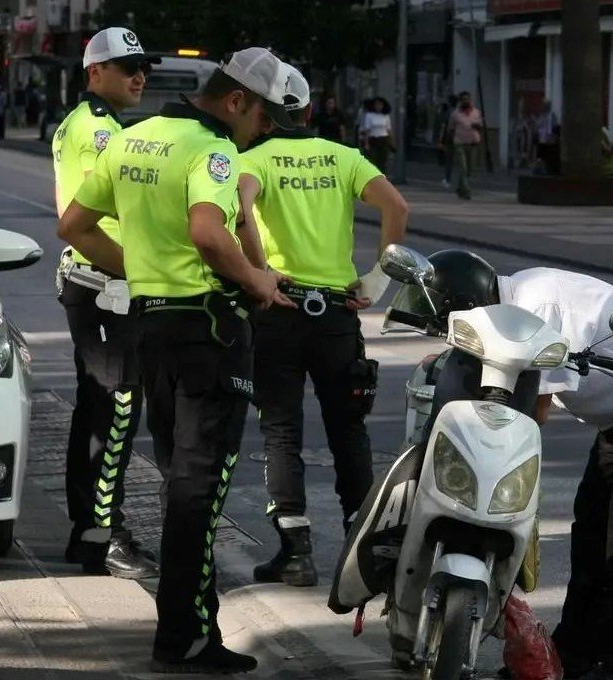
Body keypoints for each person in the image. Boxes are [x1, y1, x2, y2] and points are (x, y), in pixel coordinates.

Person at [59, 46, 296, 674]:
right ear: (237, 100)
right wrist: (257, 282)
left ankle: (188, 627)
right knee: (200, 488)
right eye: (265, 118)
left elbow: (75, 225)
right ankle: (186, 638)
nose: (264, 132)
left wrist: (138, 270)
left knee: (178, 481)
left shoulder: (135, 137)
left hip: (149, 327)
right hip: (207, 334)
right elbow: (209, 234)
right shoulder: (212, 149)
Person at [417, 251, 613, 680]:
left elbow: (529, 413)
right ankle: (570, 657)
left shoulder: (536, 310)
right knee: (590, 533)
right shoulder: (509, 305)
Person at [238, 64, 409, 587]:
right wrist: (377, 279)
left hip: (279, 311)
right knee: (348, 429)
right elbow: (396, 206)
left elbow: (241, 210)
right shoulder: (344, 158)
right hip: (338, 314)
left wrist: (259, 271)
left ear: (265, 116)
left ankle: (296, 550)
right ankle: (364, 549)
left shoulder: (252, 159)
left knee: (281, 430)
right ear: (310, 112)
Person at [52, 27, 163, 581]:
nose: (140, 76)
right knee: (115, 412)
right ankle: (104, 535)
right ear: (95, 72)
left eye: (144, 67)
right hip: (106, 287)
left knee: (100, 411)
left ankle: (90, 534)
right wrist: (144, 270)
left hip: (102, 286)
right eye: (127, 67)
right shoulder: (97, 132)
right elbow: (80, 226)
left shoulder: (104, 125)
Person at [447, 91, 483, 200]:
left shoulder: (476, 113)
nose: (466, 101)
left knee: (470, 170)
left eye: (468, 99)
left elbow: (481, 126)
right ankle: (467, 192)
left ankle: (459, 187)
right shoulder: (455, 114)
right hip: (460, 144)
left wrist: (477, 126)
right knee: (463, 168)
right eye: (463, 99)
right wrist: (449, 143)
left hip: (473, 144)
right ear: (460, 101)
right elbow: (450, 129)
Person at [360, 96, 393, 172]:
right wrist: (366, 143)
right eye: (377, 105)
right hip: (373, 140)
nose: (378, 107)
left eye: (380, 105)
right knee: (373, 159)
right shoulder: (369, 116)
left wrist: (391, 141)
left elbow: (388, 130)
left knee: (383, 160)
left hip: (383, 139)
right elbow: (367, 130)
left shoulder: (386, 116)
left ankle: (382, 177)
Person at [436, 94, 458, 187]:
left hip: (449, 138)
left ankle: (447, 179)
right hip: (459, 138)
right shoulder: (458, 113)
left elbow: (443, 127)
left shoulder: (447, 113)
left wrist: (440, 141)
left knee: (448, 160)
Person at [535, 99, 560, 175]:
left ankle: (548, 172)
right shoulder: (542, 116)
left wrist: (554, 139)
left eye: (545, 105)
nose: (543, 107)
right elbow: (538, 127)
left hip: (549, 142)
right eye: (543, 105)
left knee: (548, 159)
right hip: (542, 141)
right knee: (541, 159)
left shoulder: (552, 116)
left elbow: (555, 129)